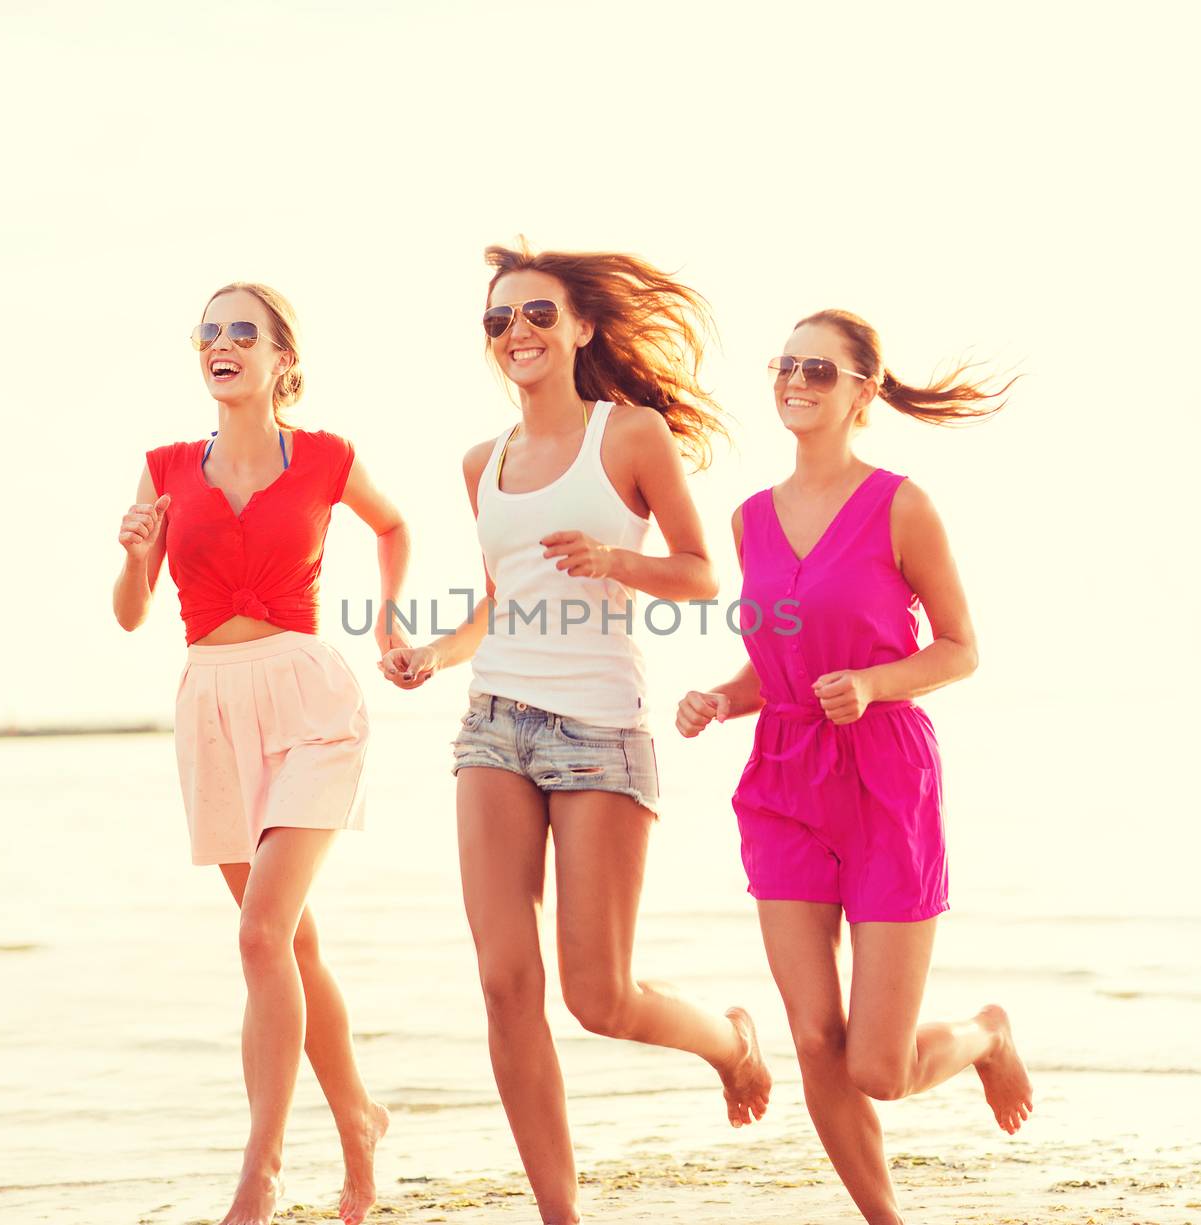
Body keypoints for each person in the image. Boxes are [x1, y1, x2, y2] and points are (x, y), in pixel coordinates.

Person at [380, 244, 772, 1225]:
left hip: (601, 731)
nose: (517, 332)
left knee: (597, 997)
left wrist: (612, 560)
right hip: (494, 729)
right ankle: (562, 1216)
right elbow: (495, 603)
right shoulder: (483, 463)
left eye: (537, 314)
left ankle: (727, 1042)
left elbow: (697, 571)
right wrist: (435, 652)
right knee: (506, 983)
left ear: (582, 328)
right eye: (498, 319)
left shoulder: (629, 434)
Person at [676, 309, 1033, 1224]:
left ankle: (988, 1034)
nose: (795, 381)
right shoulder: (750, 518)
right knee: (811, 1036)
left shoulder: (901, 504)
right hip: (783, 776)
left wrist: (874, 685)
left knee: (877, 1066)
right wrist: (722, 696)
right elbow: (780, 657)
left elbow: (959, 648)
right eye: (785, 364)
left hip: (884, 779)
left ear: (863, 390)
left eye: (819, 370)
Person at [113, 282, 407, 1225]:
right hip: (211, 703)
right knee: (290, 940)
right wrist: (132, 553)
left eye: (245, 331)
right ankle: (358, 1120)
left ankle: (262, 1170)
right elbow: (131, 614)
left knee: (259, 934)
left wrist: (394, 615)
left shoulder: (325, 457)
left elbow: (394, 525)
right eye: (210, 332)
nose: (223, 344)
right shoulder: (163, 468)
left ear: (284, 359)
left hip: (310, 701)